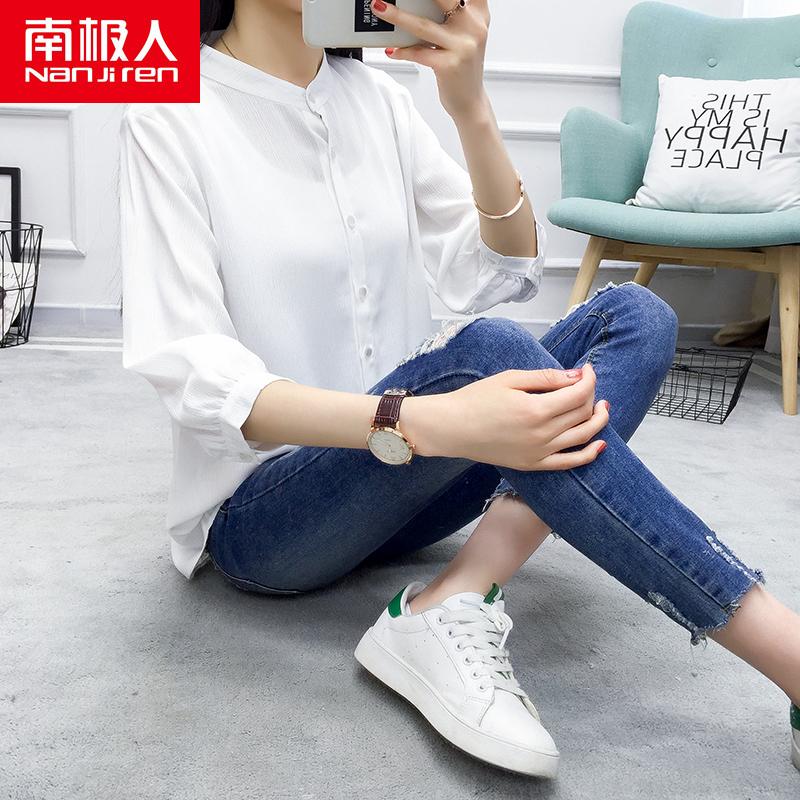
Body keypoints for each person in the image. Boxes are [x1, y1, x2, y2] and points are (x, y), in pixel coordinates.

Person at [118, 0, 800, 778]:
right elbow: (198, 376)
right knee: (489, 354)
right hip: (269, 522)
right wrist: (427, 419)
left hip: (409, 483)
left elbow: (494, 269)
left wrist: (468, 104)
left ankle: (455, 595)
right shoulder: (168, 112)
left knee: (637, 317)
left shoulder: (377, 101)